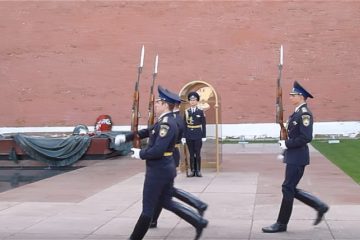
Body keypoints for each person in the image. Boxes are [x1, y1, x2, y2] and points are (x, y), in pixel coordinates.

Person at [115, 86, 208, 240]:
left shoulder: (167, 124)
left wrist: (140, 153)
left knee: (147, 210)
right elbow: (147, 131)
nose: (155, 105)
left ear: (166, 104)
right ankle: (198, 222)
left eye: (158, 102)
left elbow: (158, 150)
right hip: (164, 168)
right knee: (166, 202)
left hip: (158, 171)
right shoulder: (164, 120)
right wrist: (127, 137)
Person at [262, 81, 329, 233]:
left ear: (301, 96)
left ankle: (281, 224)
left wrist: (287, 145)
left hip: (298, 157)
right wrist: (285, 148)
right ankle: (320, 206)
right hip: (293, 156)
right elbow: (293, 134)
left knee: (287, 188)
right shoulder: (297, 113)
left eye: (293, 95)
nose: (290, 97)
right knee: (289, 188)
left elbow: (306, 137)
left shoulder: (304, 114)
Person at [149, 95, 208, 229]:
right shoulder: (176, 116)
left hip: (168, 156)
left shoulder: (173, 118)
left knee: (163, 191)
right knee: (166, 190)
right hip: (169, 156)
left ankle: (153, 219)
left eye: (162, 102)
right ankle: (198, 206)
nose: (159, 104)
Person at [182, 92, 207, 177]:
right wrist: (183, 136)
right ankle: (192, 170)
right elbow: (184, 124)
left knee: (198, 153)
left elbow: (203, 124)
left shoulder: (200, 111)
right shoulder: (186, 112)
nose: (192, 101)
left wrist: (204, 135)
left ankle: (198, 170)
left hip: (198, 134)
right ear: (189, 101)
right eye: (191, 100)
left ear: (197, 101)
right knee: (191, 153)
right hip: (189, 134)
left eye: (194, 100)